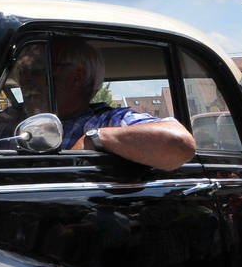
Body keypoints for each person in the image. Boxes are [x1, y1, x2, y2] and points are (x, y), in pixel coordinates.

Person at [11, 37, 195, 169]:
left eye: (36, 69)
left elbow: (179, 142)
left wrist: (94, 138)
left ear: (77, 77)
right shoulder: (0, 120)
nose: (25, 79)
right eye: (21, 70)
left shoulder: (106, 121)